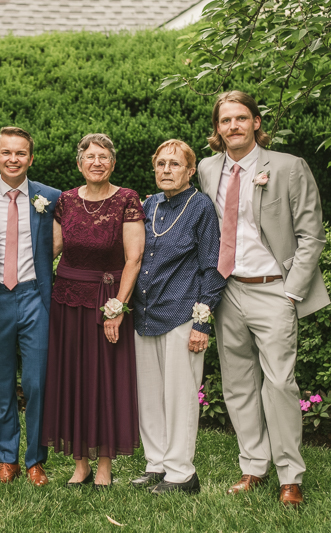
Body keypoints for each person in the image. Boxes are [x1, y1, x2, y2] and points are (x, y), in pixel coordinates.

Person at [197, 91, 330, 507]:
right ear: (217, 129)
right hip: (228, 289)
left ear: (256, 122)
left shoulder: (289, 167)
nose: (233, 126)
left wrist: (292, 292)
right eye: (225, 121)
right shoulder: (206, 168)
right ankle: (253, 466)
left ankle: (290, 475)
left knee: (279, 384)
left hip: (275, 288)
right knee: (237, 385)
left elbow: (312, 236)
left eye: (241, 118)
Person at [40, 133, 145, 489]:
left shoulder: (127, 199)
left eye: (104, 157)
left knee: (105, 380)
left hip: (107, 301)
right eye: (90, 156)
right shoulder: (65, 201)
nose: (97, 162)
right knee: (73, 379)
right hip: (66, 302)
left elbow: (134, 258)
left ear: (112, 163)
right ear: (79, 163)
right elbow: (50, 249)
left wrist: (117, 307)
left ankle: (104, 465)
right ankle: (80, 463)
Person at [0, 127, 61, 487]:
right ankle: (7, 460)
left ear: (30, 158)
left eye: (21, 153)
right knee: (2, 386)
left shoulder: (51, 197)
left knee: (36, 384)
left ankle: (35, 460)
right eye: (6, 152)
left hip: (36, 297)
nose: (13, 159)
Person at [131, 139, 226, 495]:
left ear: (190, 170)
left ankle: (182, 473)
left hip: (181, 313)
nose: (166, 170)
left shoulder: (200, 206)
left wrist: (202, 323)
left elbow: (211, 268)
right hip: (145, 313)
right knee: (149, 395)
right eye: (161, 164)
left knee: (180, 395)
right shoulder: (147, 205)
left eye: (175, 164)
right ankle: (157, 464)